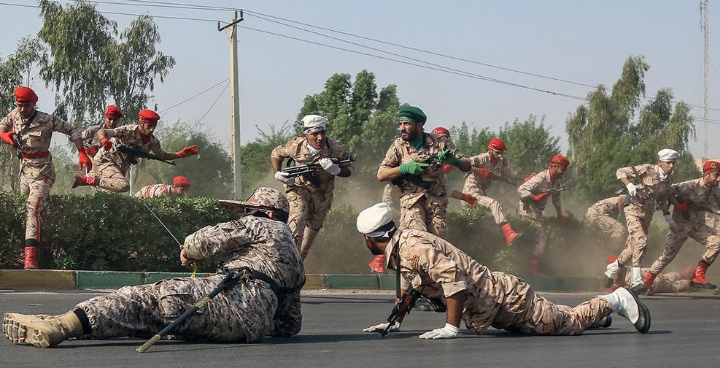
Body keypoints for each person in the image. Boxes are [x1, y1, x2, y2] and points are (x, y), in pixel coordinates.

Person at [3, 187, 305, 348]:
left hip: (225, 302)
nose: (246, 213)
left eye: (248, 210)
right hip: (244, 331)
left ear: (263, 212)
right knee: (145, 318)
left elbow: (205, 241)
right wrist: (255, 321)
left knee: (138, 300)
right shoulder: (296, 261)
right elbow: (290, 325)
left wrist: (188, 250)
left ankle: (61, 326)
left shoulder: (260, 224)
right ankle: (64, 322)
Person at [357, 203, 650, 340]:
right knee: (556, 317)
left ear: (370, 238)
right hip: (493, 306)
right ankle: (597, 316)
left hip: (506, 299)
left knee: (568, 325)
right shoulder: (402, 247)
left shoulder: (412, 248)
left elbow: (454, 281)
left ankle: (617, 300)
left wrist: (450, 328)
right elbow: (414, 286)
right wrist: (393, 322)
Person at [0, 86, 93, 269]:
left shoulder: (47, 120)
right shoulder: (14, 115)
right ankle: (19, 251)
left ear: (34, 104)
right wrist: (4, 135)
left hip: (43, 171)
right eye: (19, 105)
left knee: (32, 207)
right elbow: (2, 125)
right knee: (22, 207)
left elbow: (72, 130)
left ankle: (31, 258)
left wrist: (82, 152)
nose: (22, 109)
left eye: (26, 106)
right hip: (24, 171)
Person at [377, 106, 471, 239]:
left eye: (407, 124)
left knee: (438, 244)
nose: (401, 128)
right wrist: (404, 168)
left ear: (420, 125)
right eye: (400, 124)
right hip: (411, 202)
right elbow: (381, 174)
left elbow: (467, 165)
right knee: (417, 240)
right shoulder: (398, 146)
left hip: (436, 205)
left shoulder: (440, 143)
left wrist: (455, 161)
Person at [271, 114, 353, 259]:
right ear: (306, 135)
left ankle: (296, 265)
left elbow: (350, 169)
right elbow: (276, 153)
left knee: (307, 241)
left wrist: (336, 170)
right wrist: (278, 173)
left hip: (322, 196)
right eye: (315, 133)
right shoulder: (295, 146)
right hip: (298, 189)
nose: (320, 138)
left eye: (323, 133)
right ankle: (286, 259)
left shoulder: (336, 148)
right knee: (297, 220)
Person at [604, 149, 678, 295]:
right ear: (660, 162)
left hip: (647, 213)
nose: (671, 166)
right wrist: (629, 185)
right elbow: (620, 172)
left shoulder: (669, 179)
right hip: (633, 209)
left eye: (673, 163)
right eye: (668, 163)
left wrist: (666, 214)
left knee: (632, 248)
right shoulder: (647, 169)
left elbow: (662, 198)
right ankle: (637, 281)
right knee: (642, 241)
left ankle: (612, 269)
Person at [71, 109, 199, 193]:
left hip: (120, 167)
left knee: (110, 196)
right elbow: (102, 131)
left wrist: (180, 154)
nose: (152, 130)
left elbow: (162, 155)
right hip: (105, 160)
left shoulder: (153, 141)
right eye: (149, 126)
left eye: (154, 127)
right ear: (141, 123)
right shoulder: (128, 130)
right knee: (124, 186)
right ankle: (86, 180)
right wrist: (104, 140)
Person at [641, 160, 720, 292]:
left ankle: (698, 275)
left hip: (698, 227)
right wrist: (676, 205)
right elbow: (667, 191)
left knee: (717, 243)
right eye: (716, 175)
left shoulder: (716, 190)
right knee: (667, 256)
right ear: (706, 175)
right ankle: (648, 280)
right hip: (680, 227)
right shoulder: (690, 185)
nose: (718, 179)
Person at [456, 137, 524, 246]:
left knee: (493, 216)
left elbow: (510, 174)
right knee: (494, 204)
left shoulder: (500, 163)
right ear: (490, 150)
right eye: (497, 152)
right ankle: (509, 234)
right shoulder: (481, 159)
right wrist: (479, 170)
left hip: (481, 194)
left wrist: (525, 178)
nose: (500, 155)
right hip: (471, 194)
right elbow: (463, 165)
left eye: (502, 153)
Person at [516, 154, 570, 276]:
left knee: (535, 237)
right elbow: (521, 189)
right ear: (555, 167)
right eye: (562, 169)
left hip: (537, 211)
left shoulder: (556, 182)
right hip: (527, 209)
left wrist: (559, 214)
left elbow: (556, 198)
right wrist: (534, 197)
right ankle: (532, 269)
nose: (564, 172)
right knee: (540, 238)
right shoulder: (540, 178)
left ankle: (528, 266)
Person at [605, 255, 694, 294]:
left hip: (655, 282)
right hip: (652, 274)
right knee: (668, 277)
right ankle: (685, 274)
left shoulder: (630, 275)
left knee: (674, 286)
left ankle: (693, 284)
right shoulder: (616, 274)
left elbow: (637, 287)